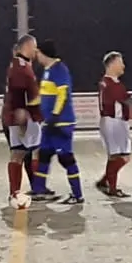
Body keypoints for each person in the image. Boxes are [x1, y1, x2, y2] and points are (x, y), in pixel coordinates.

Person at [33, 39, 84, 204]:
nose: (36, 56)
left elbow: (63, 93)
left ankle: (77, 195)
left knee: (66, 158)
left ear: (43, 53)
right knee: (44, 155)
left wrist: (55, 115)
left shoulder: (59, 69)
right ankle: (39, 190)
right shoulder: (47, 71)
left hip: (61, 123)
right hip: (49, 123)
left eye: (38, 53)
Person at [2, 35, 43, 204]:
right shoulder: (21, 66)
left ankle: (16, 192)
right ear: (26, 47)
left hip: (19, 116)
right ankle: (37, 189)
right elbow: (19, 90)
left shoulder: (18, 65)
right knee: (35, 151)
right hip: (25, 116)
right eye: (34, 47)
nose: (36, 50)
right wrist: (21, 112)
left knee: (19, 153)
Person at [95, 51, 132, 197]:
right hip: (113, 122)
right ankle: (112, 188)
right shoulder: (110, 84)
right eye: (120, 62)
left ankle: (106, 182)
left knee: (117, 157)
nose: (123, 66)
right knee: (121, 157)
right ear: (112, 64)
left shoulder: (110, 83)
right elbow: (127, 100)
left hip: (116, 122)